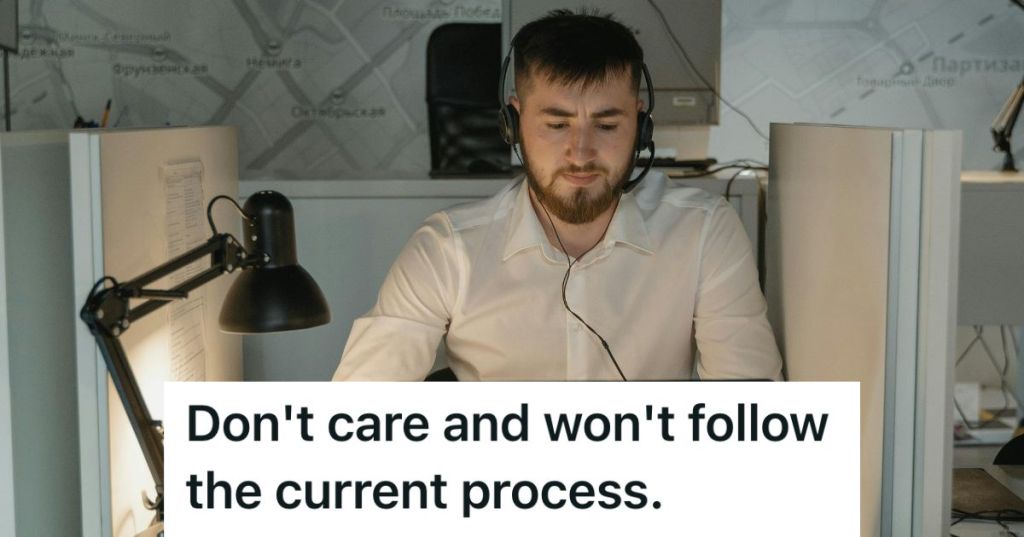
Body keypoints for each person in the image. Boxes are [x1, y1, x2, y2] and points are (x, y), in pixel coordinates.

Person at [334, 9, 782, 381]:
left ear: (641, 126)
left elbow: (752, 413)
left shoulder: (703, 231)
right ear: (513, 123)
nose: (581, 152)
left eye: (607, 126)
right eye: (556, 124)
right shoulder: (448, 248)